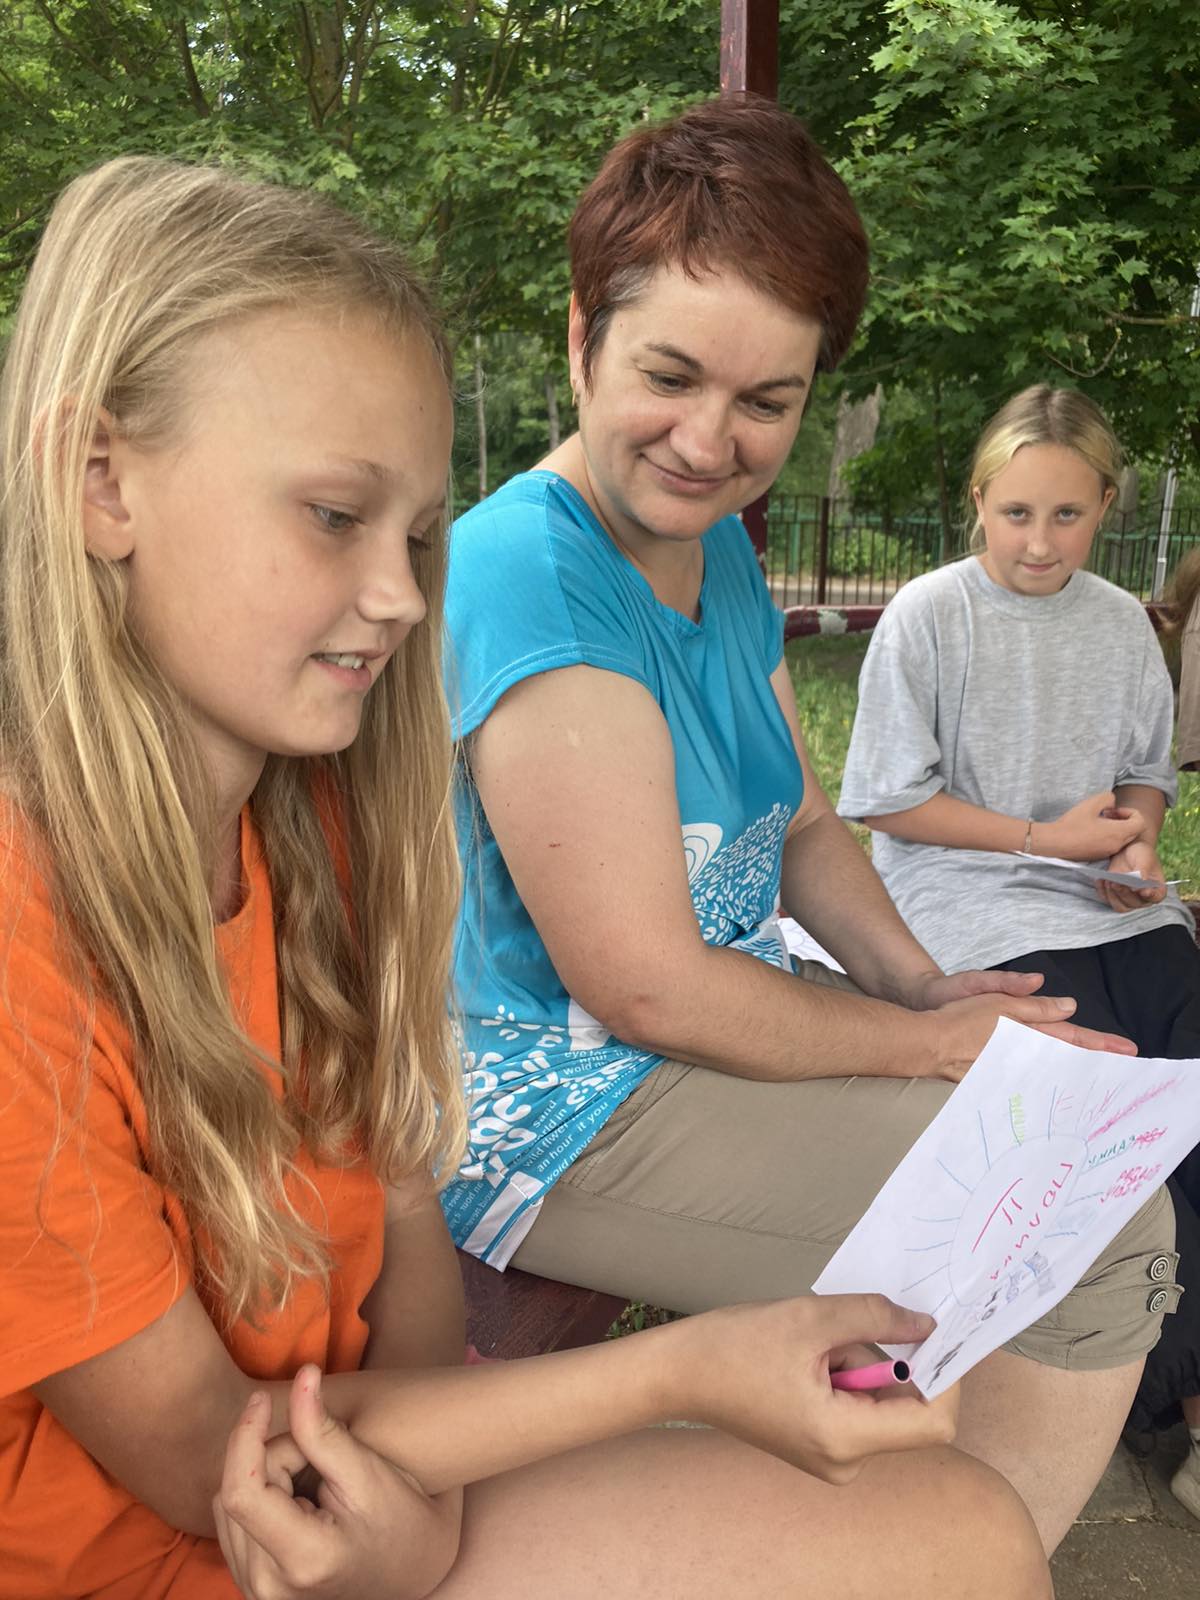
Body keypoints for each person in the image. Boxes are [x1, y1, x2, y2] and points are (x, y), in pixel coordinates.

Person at [0, 155, 1052, 1600]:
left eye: (417, 531)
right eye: (331, 516)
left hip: (378, 1471)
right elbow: (210, 1467)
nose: (401, 594)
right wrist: (688, 1370)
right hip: (186, 1545)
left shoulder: (321, 823)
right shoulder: (24, 938)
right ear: (100, 481)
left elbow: (406, 1234)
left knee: (963, 1528)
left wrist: (437, 1494)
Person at [439, 94, 1176, 1556]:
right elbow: (639, 981)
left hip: (703, 1040)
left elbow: (802, 824)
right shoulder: (526, 570)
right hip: (546, 1108)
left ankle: (904, 1541)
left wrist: (927, 984)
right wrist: (924, 1046)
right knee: (1096, 1225)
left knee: (1062, 1137)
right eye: (669, 375)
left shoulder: (709, 549)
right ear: (582, 334)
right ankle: (956, 1568)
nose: (711, 441)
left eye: (766, 402)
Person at [838, 382, 1200, 1517]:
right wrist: (1044, 838)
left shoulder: (1123, 626)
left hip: (1112, 904)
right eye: (1015, 515)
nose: (1038, 543)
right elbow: (886, 805)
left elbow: (1146, 769)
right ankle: (1144, 1396)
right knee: (1106, 1097)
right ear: (978, 502)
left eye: (1067, 516)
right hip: (966, 907)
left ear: (1107, 507)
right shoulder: (928, 616)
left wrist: (1134, 839)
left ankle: (1174, 1393)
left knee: (1188, 1079)